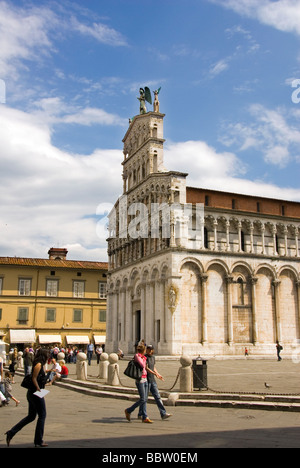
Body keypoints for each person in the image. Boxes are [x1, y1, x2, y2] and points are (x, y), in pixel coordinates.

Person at [5, 348, 49, 447]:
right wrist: (38, 388)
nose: (48, 357)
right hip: (35, 393)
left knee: (31, 416)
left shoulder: (38, 363)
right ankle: (38, 440)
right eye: (47, 355)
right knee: (42, 416)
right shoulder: (38, 364)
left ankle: (11, 432)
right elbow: (34, 378)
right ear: (44, 355)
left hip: (32, 393)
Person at [124, 344, 156, 424]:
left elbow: (146, 368)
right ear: (143, 351)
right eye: (145, 350)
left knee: (145, 399)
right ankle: (129, 410)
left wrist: (155, 374)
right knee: (143, 399)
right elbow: (142, 365)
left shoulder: (143, 357)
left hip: (145, 379)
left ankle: (144, 416)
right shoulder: (137, 356)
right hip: (140, 380)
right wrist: (143, 358)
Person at [143, 345, 172, 420]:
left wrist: (158, 374)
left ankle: (163, 413)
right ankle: (142, 413)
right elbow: (146, 368)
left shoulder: (153, 358)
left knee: (157, 397)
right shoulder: (144, 357)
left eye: (150, 349)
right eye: (148, 349)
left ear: (152, 350)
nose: (149, 351)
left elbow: (153, 367)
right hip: (146, 380)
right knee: (144, 398)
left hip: (152, 380)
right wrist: (154, 373)